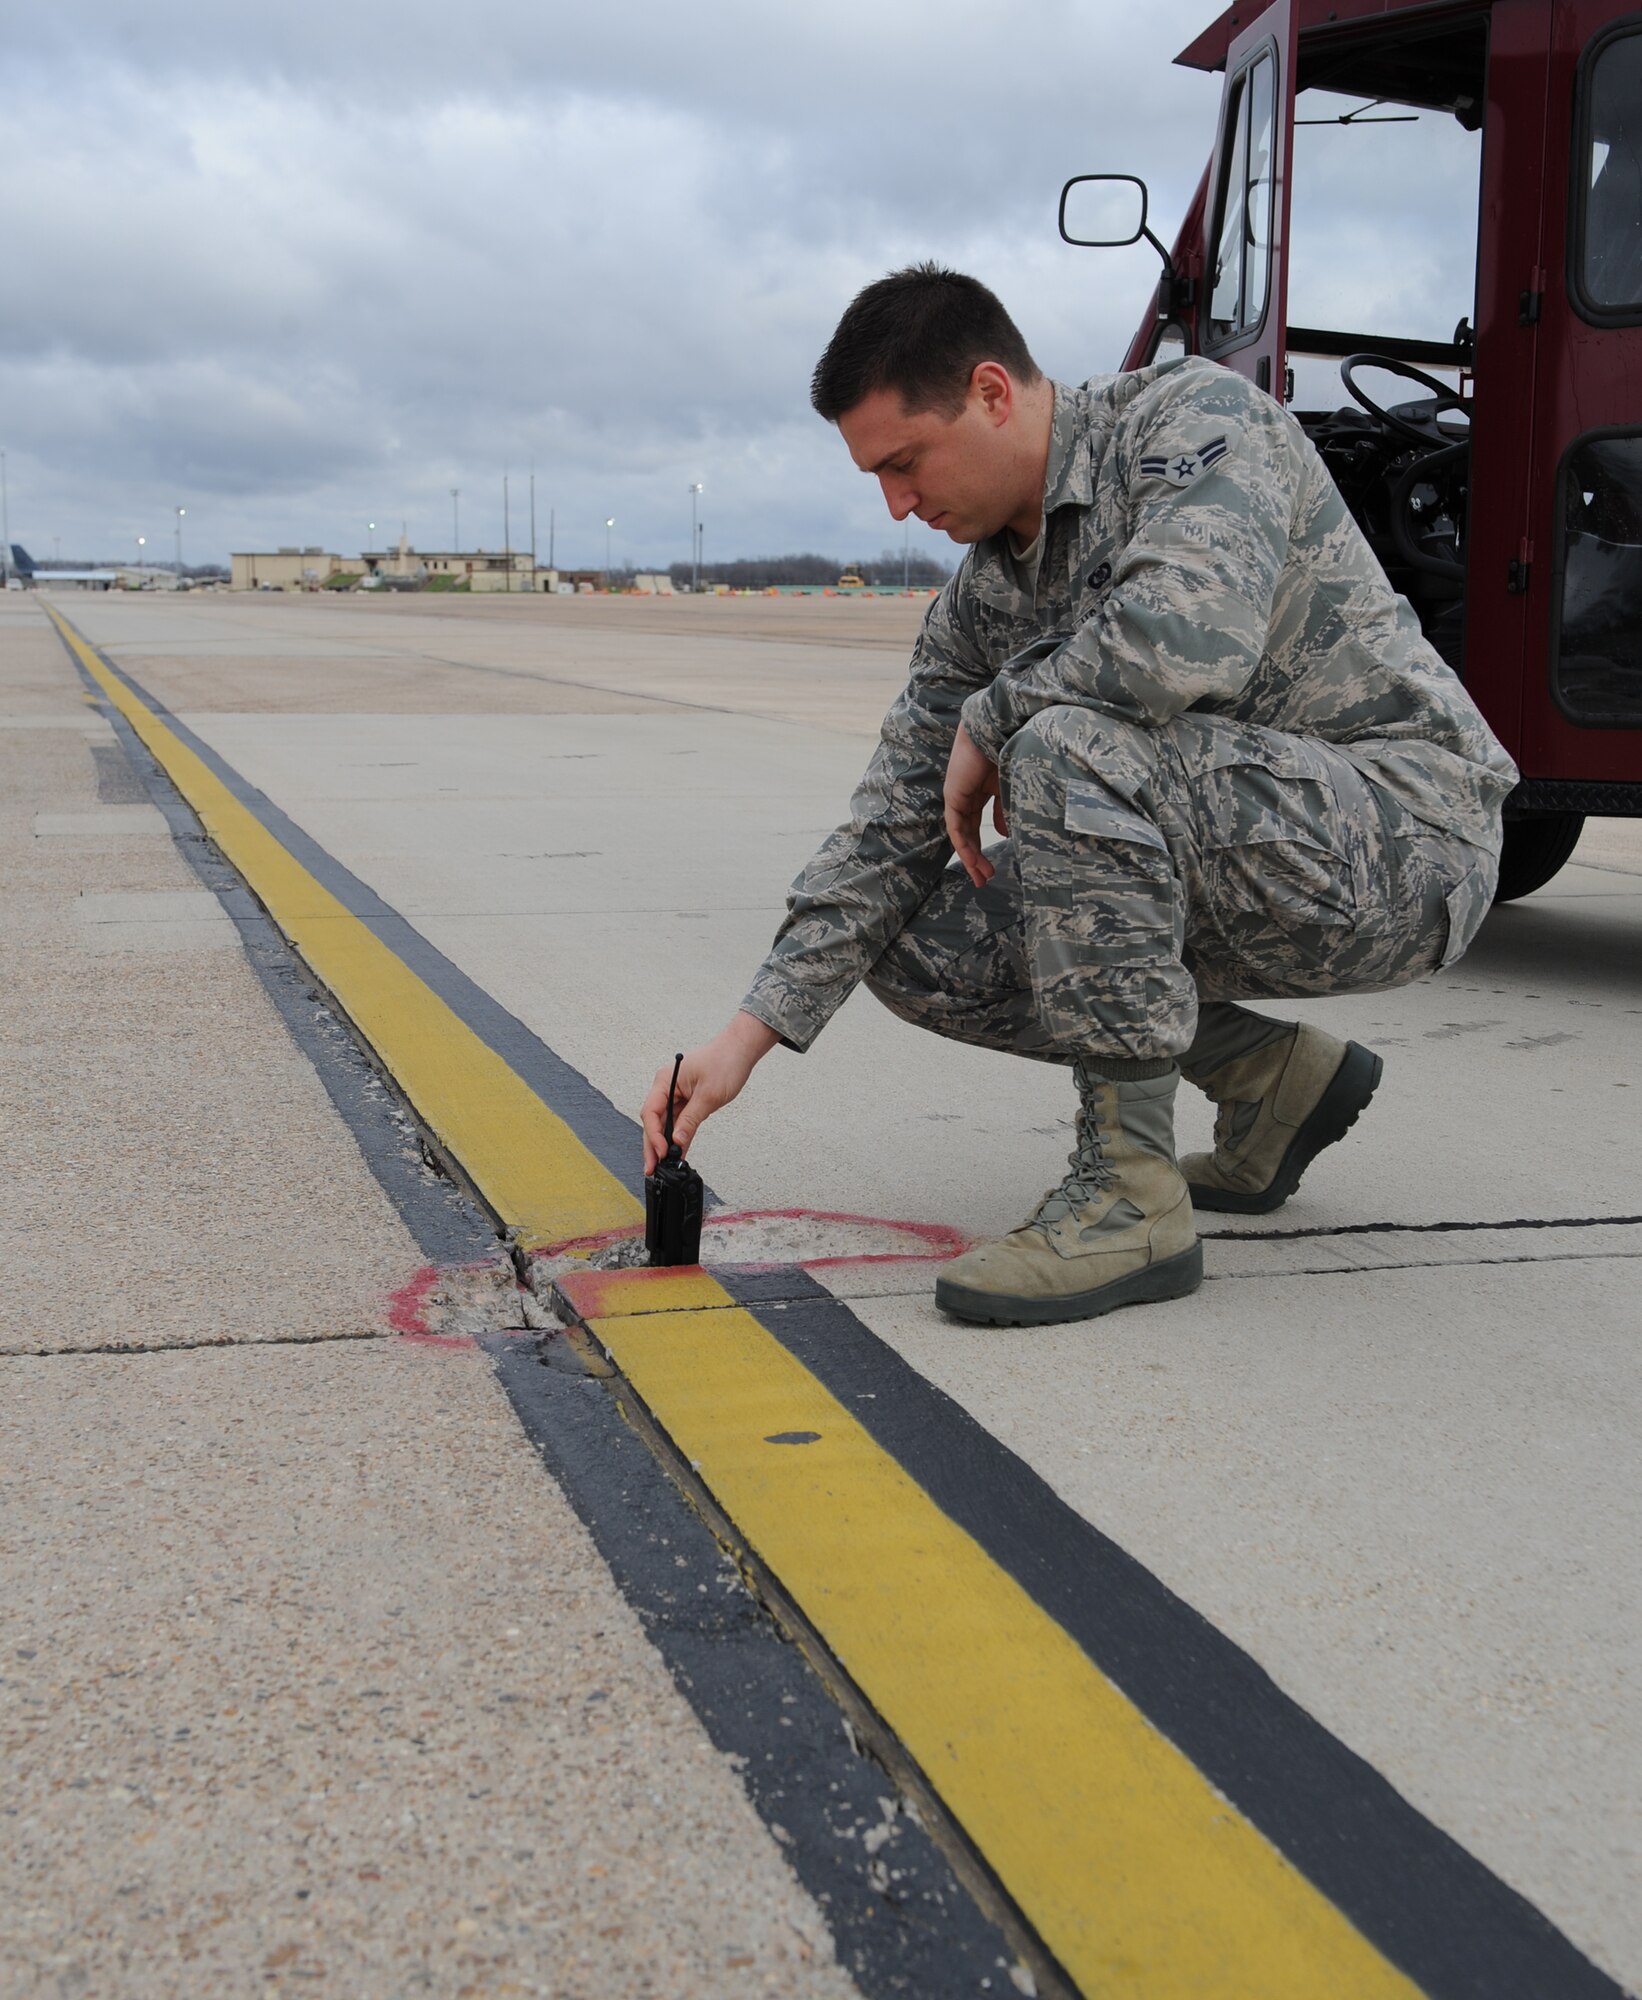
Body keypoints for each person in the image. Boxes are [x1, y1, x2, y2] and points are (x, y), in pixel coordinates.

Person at [641, 264, 1516, 1326]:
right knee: (919, 934)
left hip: (1408, 834)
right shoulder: (981, 599)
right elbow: (888, 826)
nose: (898, 504)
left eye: (906, 462)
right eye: (878, 478)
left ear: (993, 392)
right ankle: (1269, 1079)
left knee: (1065, 745)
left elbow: (1186, 635)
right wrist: (739, 1040)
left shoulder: (1192, 418)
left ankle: (1129, 1197)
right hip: (1247, 851)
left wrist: (995, 717)